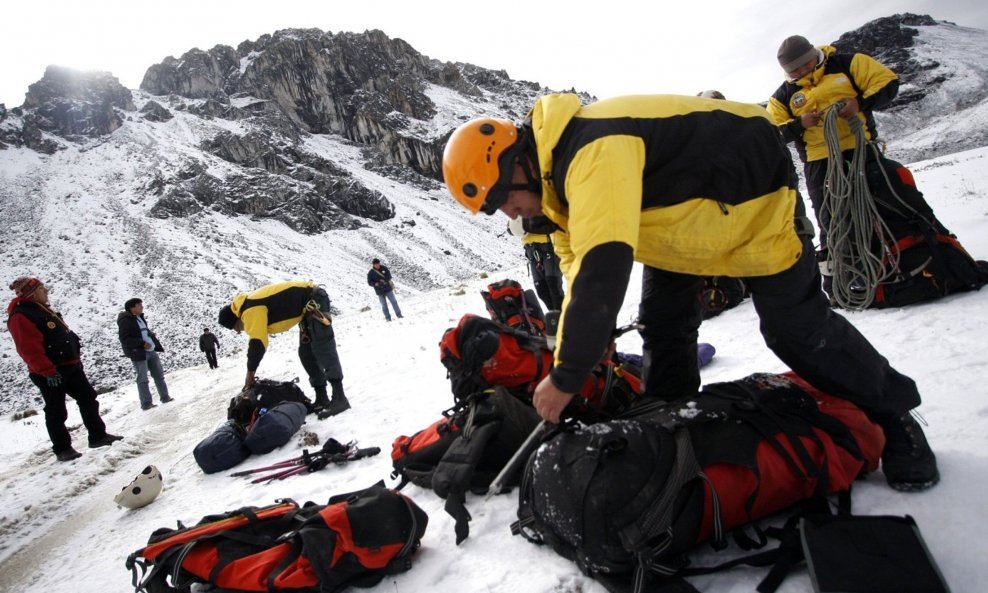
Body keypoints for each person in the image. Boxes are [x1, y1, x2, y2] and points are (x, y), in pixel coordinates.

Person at [441, 93, 938, 492]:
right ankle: (670, 417)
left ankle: (894, 414)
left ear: (517, 162)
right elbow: (577, 280)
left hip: (753, 206)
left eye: (504, 197)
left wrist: (568, 376)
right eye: (496, 210)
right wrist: (579, 349)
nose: (510, 212)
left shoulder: (591, 149)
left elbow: (604, 265)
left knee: (796, 330)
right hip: (679, 230)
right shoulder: (557, 195)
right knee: (663, 324)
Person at [766, 35, 933, 251]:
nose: (802, 72)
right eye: (794, 71)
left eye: (805, 65)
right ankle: (844, 273)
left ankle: (913, 258)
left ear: (813, 55)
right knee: (832, 221)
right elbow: (772, 133)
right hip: (819, 164)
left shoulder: (849, 63)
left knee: (888, 208)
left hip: (862, 151)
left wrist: (860, 104)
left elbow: (887, 82)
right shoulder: (781, 96)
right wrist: (800, 124)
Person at [6, 277, 122, 461]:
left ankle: (98, 436)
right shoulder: (21, 315)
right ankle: (62, 449)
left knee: (88, 398)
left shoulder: (41, 310)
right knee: (56, 410)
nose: (46, 291)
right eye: (42, 289)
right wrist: (47, 371)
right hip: (50, 372)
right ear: (32, 293)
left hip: (70, 365)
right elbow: (28, 349)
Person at [216, 280, 350, 416]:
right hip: (306, 310)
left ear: (235, 319)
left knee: (322, 347)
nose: (239, 331)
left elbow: (257, 342)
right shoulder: (249, 306)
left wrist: (250, 373)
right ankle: (322, 397)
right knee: (306, 354)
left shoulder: (250, 309)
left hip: (314, 300)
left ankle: (340, 397)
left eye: (235, 328)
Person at [117, 298, 173, 410]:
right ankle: (146, 403)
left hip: (150, 350)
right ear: (132, 307)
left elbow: (141, 331)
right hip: (138, 352)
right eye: (139, 305)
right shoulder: (126, 320)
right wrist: (142, 343)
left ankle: (165, 397)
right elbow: (125, 338)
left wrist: (149, 334)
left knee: (159, 375)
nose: (142, 307)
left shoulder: (140, 318)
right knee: (142, 379)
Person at [507, 215, 565, 311]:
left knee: (554, 286)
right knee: (542, 290)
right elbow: (511, 228)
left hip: (547, 247)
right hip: (532, 251)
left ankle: (564, 317)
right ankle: (556, 316)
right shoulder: (518, 206)